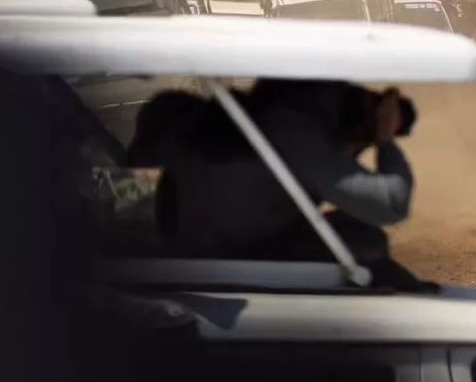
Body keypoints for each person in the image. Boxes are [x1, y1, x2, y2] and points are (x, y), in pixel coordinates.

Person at [128, 81, 417, 268]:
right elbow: (390, 204)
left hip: (191, 252)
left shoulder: (241, 119)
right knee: (366, 241)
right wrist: (384, 136)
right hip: (228, 260)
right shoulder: (290, 128)